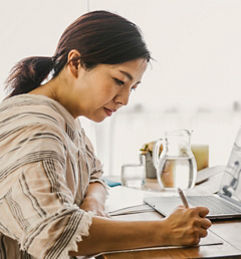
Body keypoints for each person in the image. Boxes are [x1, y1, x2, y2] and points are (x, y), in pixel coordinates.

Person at [0, 11, 211, 258]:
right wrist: (166, 231)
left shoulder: (64, 118)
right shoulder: (35, 126)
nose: (124, 100)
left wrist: (93, 205)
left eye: (133, 87)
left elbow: (95, 174)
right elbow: (53, 231)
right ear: (76, 63)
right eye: (119, 81)